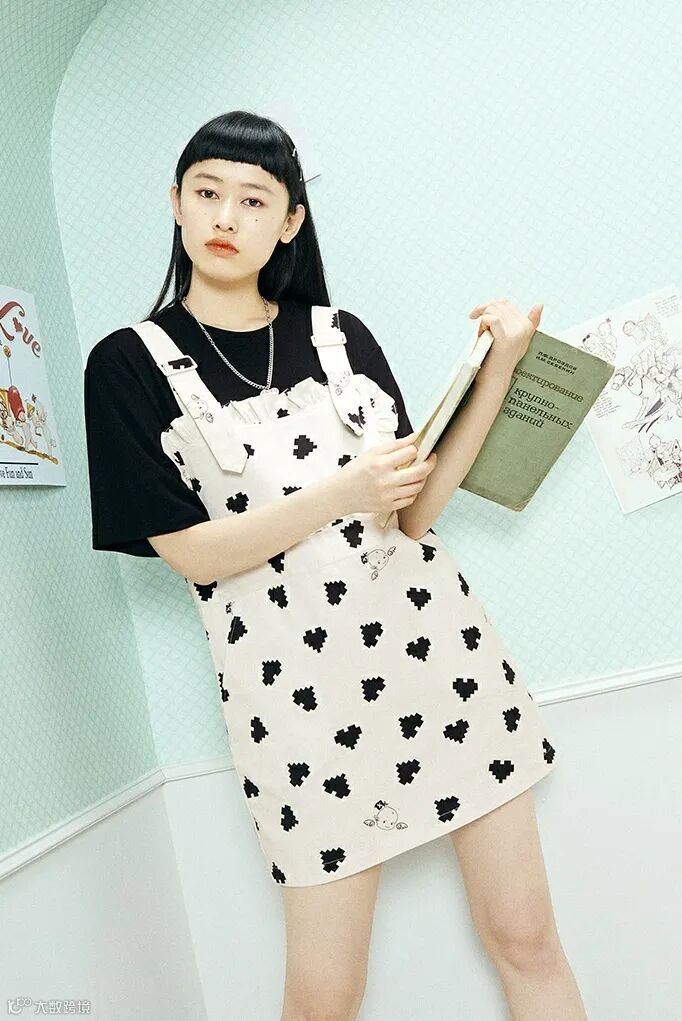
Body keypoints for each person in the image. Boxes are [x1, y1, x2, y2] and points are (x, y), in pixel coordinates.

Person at [83, 110, 586, 1021]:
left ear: (290, 221)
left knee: (526, 937)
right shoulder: (127, 364)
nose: (225, 215)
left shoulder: (339, 335)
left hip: (444, 666)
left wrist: (499, 371)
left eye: (254, 199)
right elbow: (191, 554)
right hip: (297, 706)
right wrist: (341, 491)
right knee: (323, 1000)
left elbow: (415, 510)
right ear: (176, 203)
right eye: (207, 192)